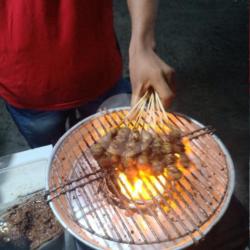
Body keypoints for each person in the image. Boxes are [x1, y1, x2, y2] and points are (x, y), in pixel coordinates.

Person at [0, 0, 175, 149]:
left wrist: (142, 44)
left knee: (117, 150)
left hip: (99, 69)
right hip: (25, 84)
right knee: (54, 159)